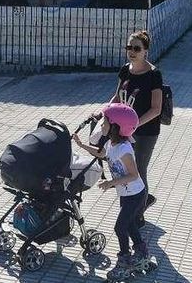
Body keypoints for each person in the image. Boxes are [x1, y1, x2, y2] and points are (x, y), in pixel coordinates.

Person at [74, 103, 150, 281]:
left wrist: (111, 183)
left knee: (120, 227)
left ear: (116, 126)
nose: (101, 126)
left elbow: (134, 175)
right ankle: (142, 252)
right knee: (130, 225)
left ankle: (124, 261)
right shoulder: (111, 142)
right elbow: (101, 154)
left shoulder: (124, 149)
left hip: (135, 194)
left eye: (105, 122)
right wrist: (82, 145)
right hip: (126, 194)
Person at [108, 30, 163, 224]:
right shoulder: (125, 70)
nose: (132, 51)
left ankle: (138, 214)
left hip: (146, 132)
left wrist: (133, 123)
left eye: (137, 48)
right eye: (129, 47)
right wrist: (105, 112)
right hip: (124, 129)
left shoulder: (154, 74)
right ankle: (143, 200)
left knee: (138, 171)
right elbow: (117, 97)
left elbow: (156, 109)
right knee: (125, 169)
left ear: (145, 51)